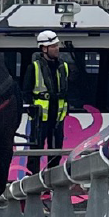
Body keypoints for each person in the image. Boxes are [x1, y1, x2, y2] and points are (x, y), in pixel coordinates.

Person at [26, 29, 70, 173]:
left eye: (57, 45)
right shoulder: (34, 67)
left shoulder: (63, 66)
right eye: (53, 46)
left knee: (56, 150)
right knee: (35, 150)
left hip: (57, 116)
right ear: (44, 49)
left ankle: (53, 182)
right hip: (40, 117)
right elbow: (26, 92)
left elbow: (66, 90)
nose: (57, 48)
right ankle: (32, 180)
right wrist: (32, 110)